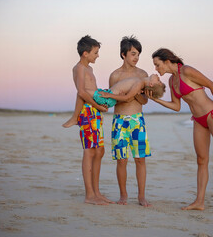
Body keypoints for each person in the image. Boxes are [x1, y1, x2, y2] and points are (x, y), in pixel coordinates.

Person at [147, 48, 213, 216]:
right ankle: (199, 201)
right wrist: (156, 100)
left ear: (167, 61)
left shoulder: (186, 71)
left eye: (157, 65)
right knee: (201, 160)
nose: (156, 69)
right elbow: (177, 106)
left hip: (212, 115)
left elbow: (212, 85)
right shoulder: (173, 81)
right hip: (198, 120)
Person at [68, 35, 113, 205]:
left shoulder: (90, 69)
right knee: (89, 151)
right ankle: (89, 195)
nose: (98, 56)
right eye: (95, 52)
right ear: (85, 53)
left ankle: (96, 192)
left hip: (94, 111)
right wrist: (98, 106)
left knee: (99, 151)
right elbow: (81, 92)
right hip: (87, 111)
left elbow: (91, 91)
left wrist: (102, 103)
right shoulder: (79, 68)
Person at [109, 36, 153, 207]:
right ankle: (123, 195)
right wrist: (125, 98)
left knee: (140, 159)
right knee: (121, 160)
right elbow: (113, 100)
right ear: (123, 54)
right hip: (119, 121)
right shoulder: (115, 75)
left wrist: (133, 93)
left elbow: (144, 101)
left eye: (138, 54)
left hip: (137, 121)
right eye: (133, 54)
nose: (136, 58)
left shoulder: (142, 75)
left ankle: (141, 196)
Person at [62, 75, 165, 127]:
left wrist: (108, 95)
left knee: (82, 92)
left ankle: (75, 118)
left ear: (151, 84)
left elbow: (126, 97)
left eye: (159, 81)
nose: (159, 77)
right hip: (107, 95)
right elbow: (127, 96)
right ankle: (83, 118)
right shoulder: (140, 83)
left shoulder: (139, 84)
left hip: (107, 97)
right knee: (85, 95)